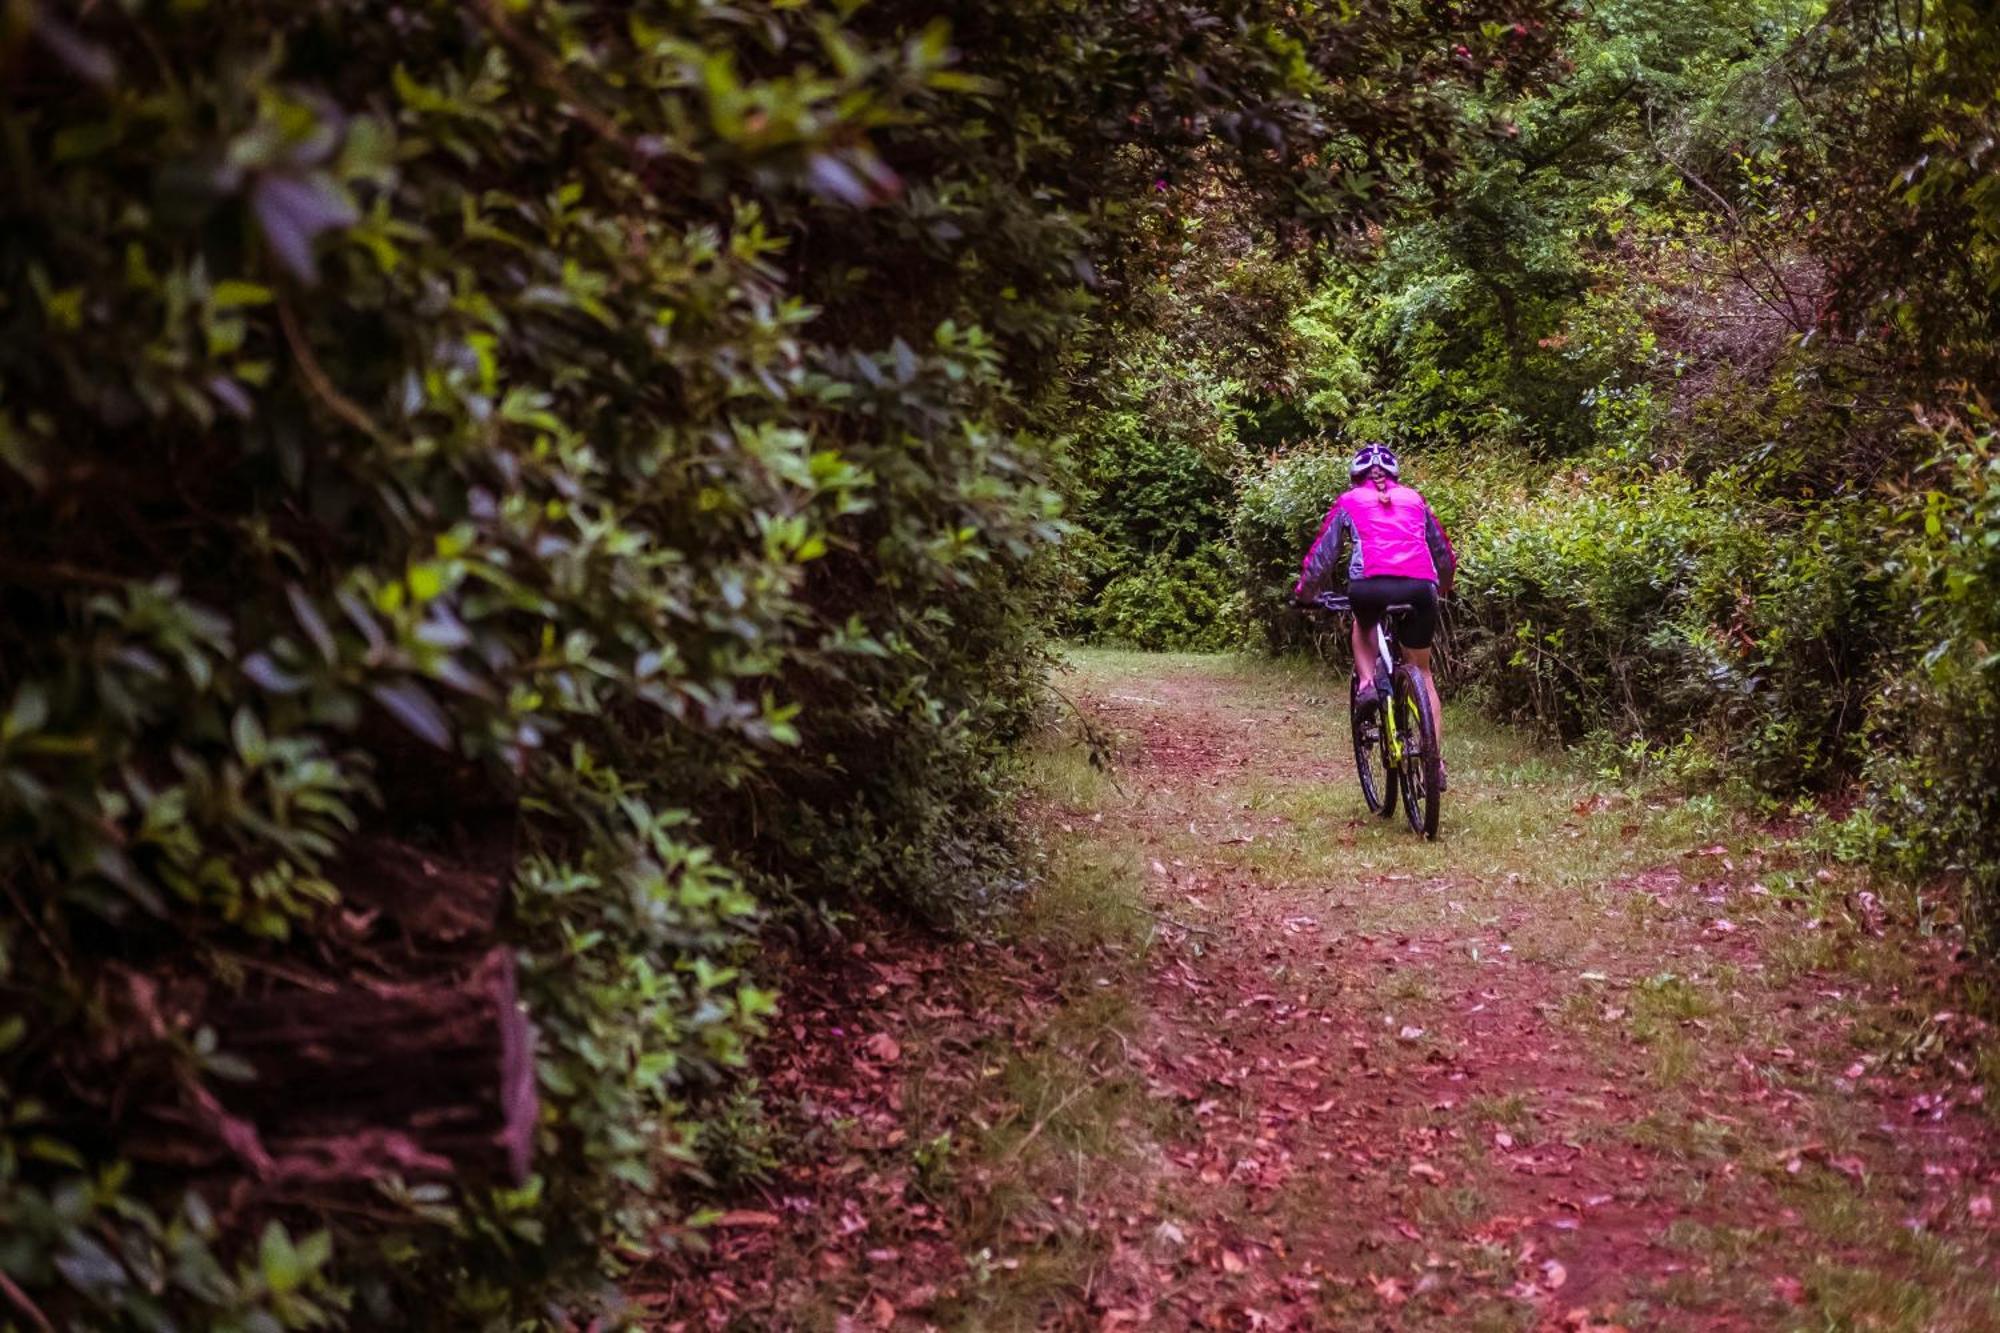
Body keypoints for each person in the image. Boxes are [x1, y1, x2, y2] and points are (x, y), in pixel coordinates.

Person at [1292, 442, 1457, 789]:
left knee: (1362, 622)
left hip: (1369, 588)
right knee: (1424, 673)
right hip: (1419, 590)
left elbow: (1322, 555)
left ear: (1356, 477)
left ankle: (1367, 685)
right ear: (1394, 476)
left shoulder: (1348, 501)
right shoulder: (1416, 499)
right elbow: (1443, 551)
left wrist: (1306, 595)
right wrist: (1441, 587)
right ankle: (1434, 762)